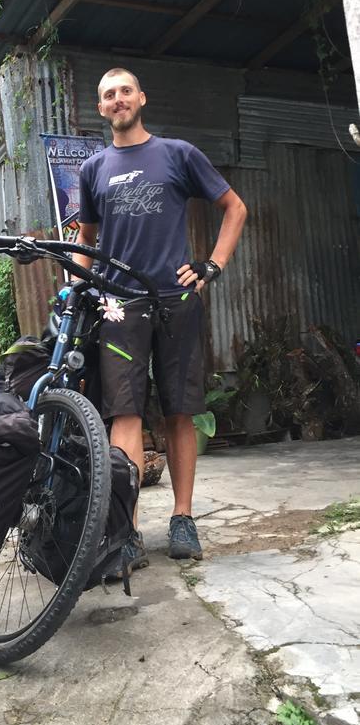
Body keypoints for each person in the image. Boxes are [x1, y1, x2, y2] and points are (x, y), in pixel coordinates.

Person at [73, 68, 247, 572]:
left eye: (125, 90)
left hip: (176, 299)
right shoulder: (94, 169)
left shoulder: (177, 154)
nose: (118, 99)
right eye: (108, 94)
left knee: (179, 409)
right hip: (119, 304)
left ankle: (182, 518)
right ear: (101, 109)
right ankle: (124, 528)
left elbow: (235, 208)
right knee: (123, 412)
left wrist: (212, 265)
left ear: (141, 98)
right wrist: (77, 288)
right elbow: (86, 239)